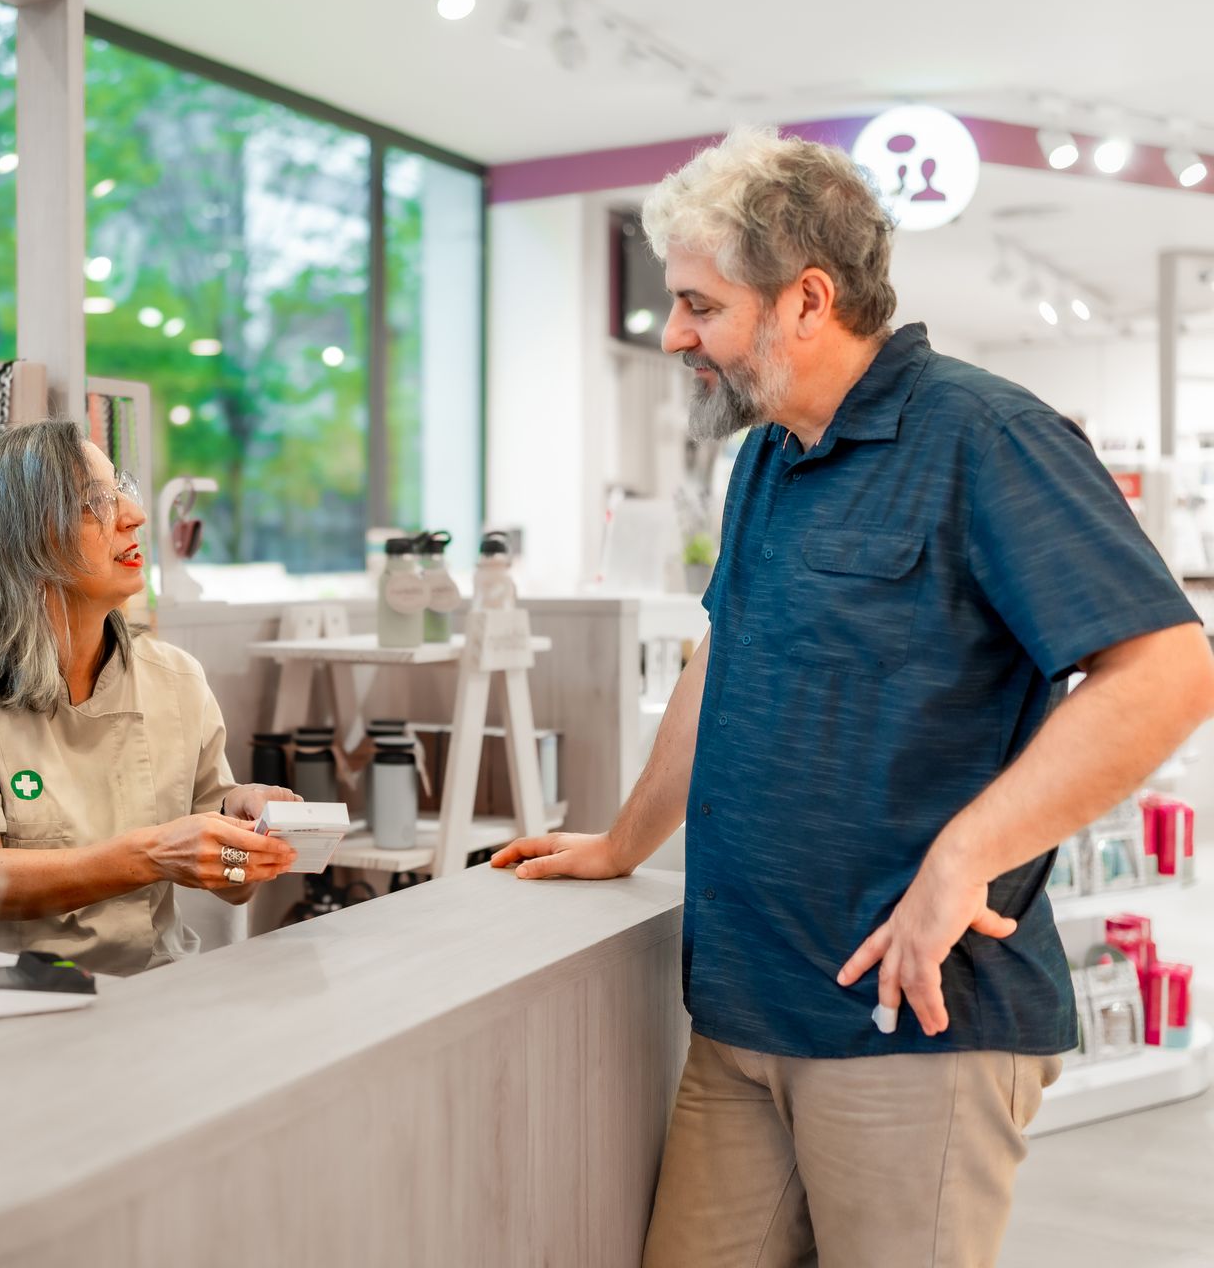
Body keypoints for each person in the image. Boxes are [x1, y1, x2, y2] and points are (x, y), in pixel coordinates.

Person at [493, 126, 1214, 1266]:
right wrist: (625, 840)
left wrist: (963, 857)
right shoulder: (769, 458)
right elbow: (722, 659)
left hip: (911, 1026)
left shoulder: (988, 436)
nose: (676, 333)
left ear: (806, 300)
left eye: (701, 304)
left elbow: (1170, 670)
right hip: (741, 1016)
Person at [0, 420, 298, 976]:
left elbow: (233, 892)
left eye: (121, 492)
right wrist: (153, 855)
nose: (133, 516)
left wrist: (242, 830)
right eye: (94, 504)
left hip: (151, 991)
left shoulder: (175, 678)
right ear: (21, 538)